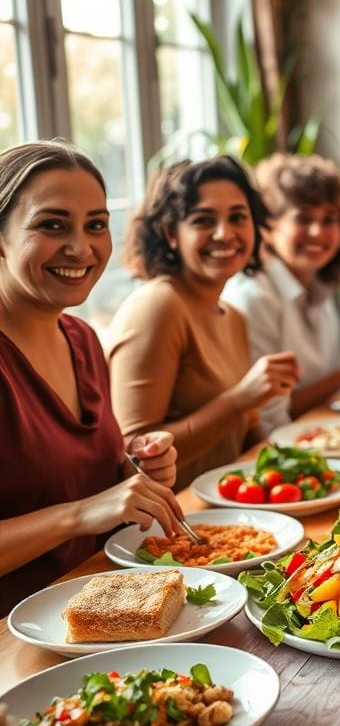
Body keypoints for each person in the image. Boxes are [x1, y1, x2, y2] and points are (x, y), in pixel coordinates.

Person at [0, 141, 181, 615]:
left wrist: (136, 471)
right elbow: (81, 506)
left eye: (96, 225)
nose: (81, 248)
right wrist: (81, 515)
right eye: (51, 225)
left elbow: (88, 474)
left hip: (107, 606)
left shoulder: (81, 337)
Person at [109, 157, 299, 489]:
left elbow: (248, 430)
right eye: (203, 220)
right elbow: (133, 456)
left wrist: (293, 467)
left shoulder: (232, 315)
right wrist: (241, 398)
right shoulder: (158, 306)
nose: (225, 234)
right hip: (167, 527)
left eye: (238, 217)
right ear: (171, 233)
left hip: (227, 515)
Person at [222, 154, 340, 432]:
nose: (318, 232)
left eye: (329, 220)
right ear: (267, 227)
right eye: (303, 218)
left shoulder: (318, 289)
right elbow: (266, 418)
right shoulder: (254, 297)